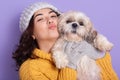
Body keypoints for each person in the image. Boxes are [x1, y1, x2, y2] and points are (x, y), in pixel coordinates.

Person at [12, 2, 118, 80]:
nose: (50, 20)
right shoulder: (31, 69)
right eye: (40, 19)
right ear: (31, 34)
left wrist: (102, 59)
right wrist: (70, 66)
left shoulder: (87, 47)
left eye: (53, 16)